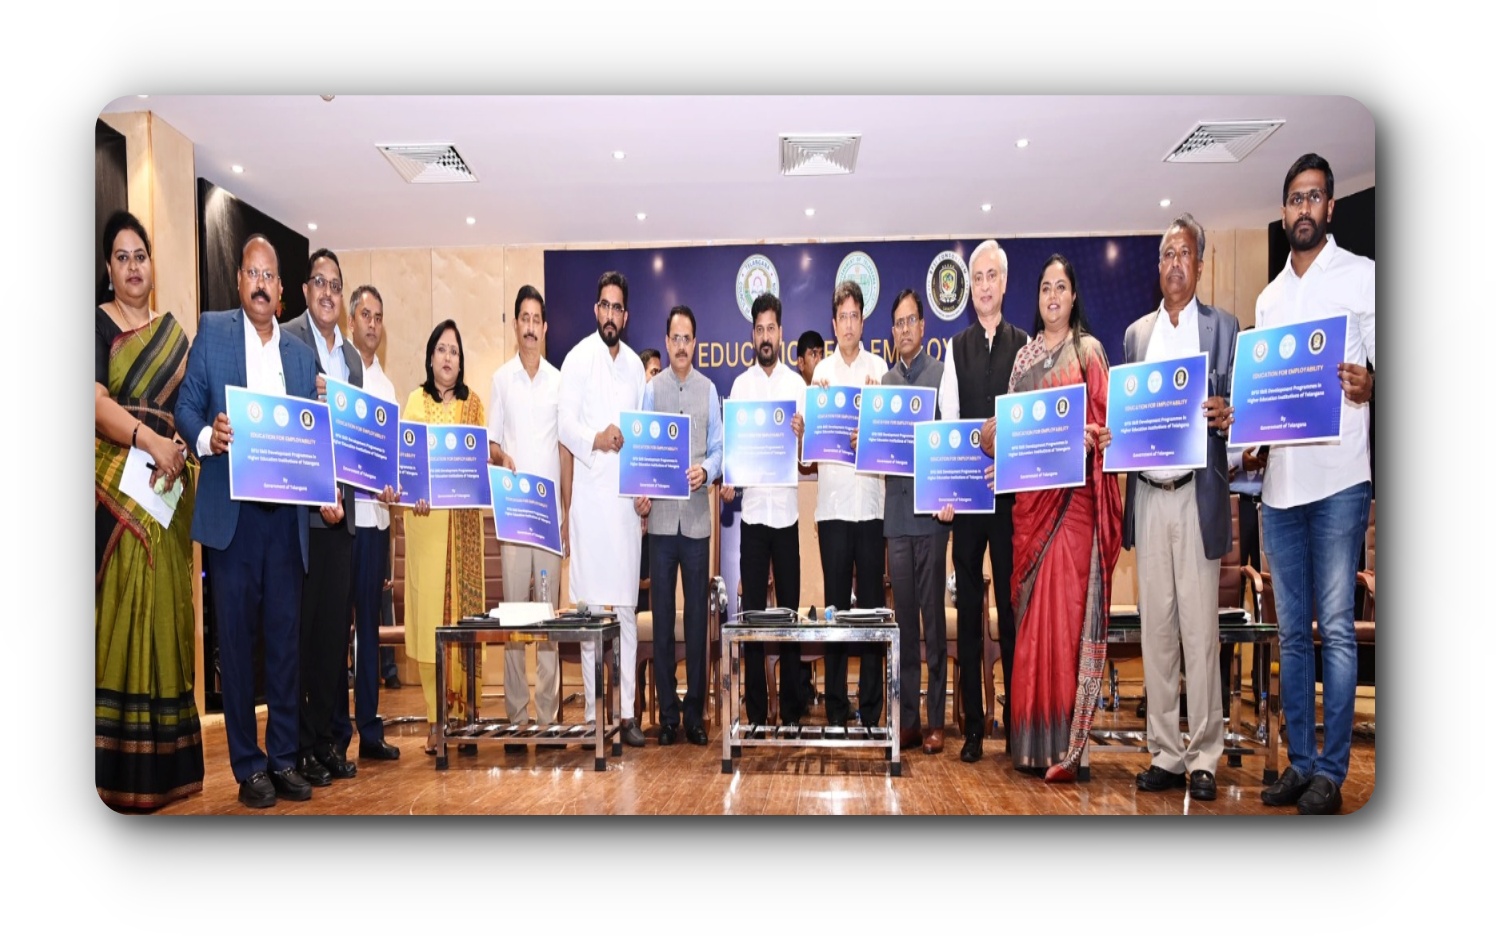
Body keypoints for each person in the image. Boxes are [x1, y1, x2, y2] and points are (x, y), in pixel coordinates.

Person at [176, 234, 320, 808]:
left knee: (285, 644)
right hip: (232, 521)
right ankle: (248, 766)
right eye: (252, 273)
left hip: (286, 522)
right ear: (239, 281)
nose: (261, 284)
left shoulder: (301, 357)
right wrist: (209, 435)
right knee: (235, 646)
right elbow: (184, 408)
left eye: (270, 276)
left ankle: (282, 759)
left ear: (282, 292)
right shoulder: (211, 332)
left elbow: (314, 438)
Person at [1256, 153, 1375, 815]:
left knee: (1333, 625)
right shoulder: (1270, 300)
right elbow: (1268, 399)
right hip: (1281, 487)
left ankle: (1332, 772)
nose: (1303, 209)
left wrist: (1373, 383)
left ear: (1330, 208)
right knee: (1291, 634)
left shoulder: (1362, 277)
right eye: (1294, 198)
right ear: (1284, 211)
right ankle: (1300, 765)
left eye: (1314, 197)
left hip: (1339, 482)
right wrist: (1249, 440)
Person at [1122, 215, 1240, 802]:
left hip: (1197, 495)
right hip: (1148, 493)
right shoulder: (1136, 337)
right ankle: (1165, 752)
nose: (1174, 263)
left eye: (1183, 254)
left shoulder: (1224, 330)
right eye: (1166, 254)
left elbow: (1241, 421)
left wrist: (1230, 417)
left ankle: (1206, 756)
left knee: (1200, 631)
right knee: (1158, 633)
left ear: (1200, 264)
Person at [95, 209, 204, 810]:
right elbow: (92, 404)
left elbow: (191, 405)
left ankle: (165, 770)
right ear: (108, 270)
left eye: (142, 256)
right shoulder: (96, 324)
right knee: (124, 608)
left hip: (168, 486)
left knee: (168, 606)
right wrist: (150, 440)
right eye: (123, 258)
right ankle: (113, 769)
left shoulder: (174, 335)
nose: (134, 267)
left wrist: (184, 440)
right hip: (117, 476)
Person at [999, 253, 1122, 782]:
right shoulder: (1024, 362)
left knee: (1067, 625)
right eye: (1045, 287)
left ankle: (1071, 750)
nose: (1052, 296)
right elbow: (1011, 434)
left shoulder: (1090, 353)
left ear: (1074, 296)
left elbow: (1108, 425)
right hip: (1031, 514)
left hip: (1074, 512)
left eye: (1061, 287)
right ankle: (1030, 744)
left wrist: (1098, 439)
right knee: (1030, 629)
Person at [937, 239, 1029, 762]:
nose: (985, 285)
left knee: (1013, 615)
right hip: (969, 507)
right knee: (969, 616)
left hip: (1014, 503)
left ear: (1004, 283)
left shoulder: (1027, 345)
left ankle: (1018, 724)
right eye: (977, 277)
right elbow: (949, 427)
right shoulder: (956, 347)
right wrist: (947, 492)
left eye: (992, 276)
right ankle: (974, 726)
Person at [558, 272, 649, 746]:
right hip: (591, 506)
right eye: (605, 306)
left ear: (626, 316)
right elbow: (564, 425)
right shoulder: (575, 360)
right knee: (593, 612)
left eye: (618, 308)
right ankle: (597, 715)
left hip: (625, 508)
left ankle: (629, 714)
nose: (611, 315)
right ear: (596, 311)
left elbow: (645, 436)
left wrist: (645, 488)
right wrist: (596, 438)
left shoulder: (636, 367)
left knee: (628, 611)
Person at [281, 248, 360, 786]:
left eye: (335, 284)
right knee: (304, 640)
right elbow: (287, 428)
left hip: (345, 514)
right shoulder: (286, 341)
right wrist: (316, 495)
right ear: (306, 291)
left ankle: (327, 743)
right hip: (305, 520)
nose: (328, 292)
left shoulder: (351, 359)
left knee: (333, 639)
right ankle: (300, 748)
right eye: (320, 282)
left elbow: (354, 441)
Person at [488, 285, 572, 748]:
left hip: (547, 516)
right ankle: (517, 718)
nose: (530, 325)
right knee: (515, 618)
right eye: (523, 317)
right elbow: (492, 442)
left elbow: (563, 451)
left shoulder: (560, 382)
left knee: (548, 618)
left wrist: (566, 509)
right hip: (514, 514)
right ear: (516, 324)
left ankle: (549, 717)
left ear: (545, 326)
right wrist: (504, 459)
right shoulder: (501, 380)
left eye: (536, 318)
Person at [401, 320, 488, 755]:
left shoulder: (475, 406)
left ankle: (466, 718)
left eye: (455, 350)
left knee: (463, 623)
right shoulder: (415, 401)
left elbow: (477, 464)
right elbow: (405, 462)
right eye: (441, 349)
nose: (448, 357)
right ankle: (436, 721)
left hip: (463, 527)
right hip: (427, 526)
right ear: (430, 356)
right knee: (431, 622)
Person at [639, 305, 723, 746]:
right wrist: (641, 489)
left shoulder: (710, 391)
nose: (681, 345)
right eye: (675, 337)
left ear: (696, 342)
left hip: (694, 521)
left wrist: (705, 472)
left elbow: (719, 449)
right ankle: (667, 716)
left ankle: (695, 715)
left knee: (695, 623)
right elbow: (640, 451)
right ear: (667, 341)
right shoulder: (651, 390)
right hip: (660, 523)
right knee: (664, 619)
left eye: (688, 338)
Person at [722, 292, 807, 726]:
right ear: (752, 335)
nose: (766, 336)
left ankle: (791, 712)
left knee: (790, 618)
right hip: (753, 517)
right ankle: (755, 712)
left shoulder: (797, 387)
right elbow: (732, 461)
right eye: (759, 329)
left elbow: (809, 461)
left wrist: (802, 435)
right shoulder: (740, 388)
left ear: (781, 332)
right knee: (752, 619)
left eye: (772, 328)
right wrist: (728, 483)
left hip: (787, 517)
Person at [812, 281, 888, 729]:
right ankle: (837, 708)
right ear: (833, 323)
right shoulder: (819, 375)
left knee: (873, 610)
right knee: (836, 610)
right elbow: (809, 456)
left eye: (855, 316)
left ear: (863, 321)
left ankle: (872, 707)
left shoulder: (878, 371)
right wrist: (811, 423)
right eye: (841, 317)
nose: (848, 324)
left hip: (871, 505)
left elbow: (892, 442)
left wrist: (871, 433)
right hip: (834, 508)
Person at [879, 289, 952, 755]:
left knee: (933, 625)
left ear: (923, 328)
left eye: (912, 322)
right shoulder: (883, 384)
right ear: (893, 332)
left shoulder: (942, 377)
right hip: (896, 519)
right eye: (898, 323)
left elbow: (953, 443)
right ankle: (907, 720)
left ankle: (936, 722)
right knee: (903, 623)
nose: (905, 330)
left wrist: (948, 496)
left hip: (931, 518)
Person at [345, 284, 402, 761]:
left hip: (375, 523)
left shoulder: (386, 389)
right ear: (351, 321)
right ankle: (328, 734)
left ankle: (369, 729)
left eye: (379, 316)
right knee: (329, 631)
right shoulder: (333, 376)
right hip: (336, 522)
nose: (372, 323)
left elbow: (392, 463)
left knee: (368, 629)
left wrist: (394, 488)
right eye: (365, 314)